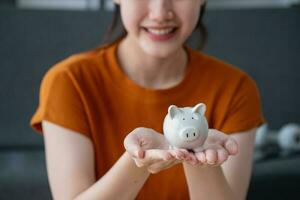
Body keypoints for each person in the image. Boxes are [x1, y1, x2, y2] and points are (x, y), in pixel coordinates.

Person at [30, 0, 265, 199]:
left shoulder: (236, 89)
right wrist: (138, 161)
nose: (160, 13)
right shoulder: (68, 82)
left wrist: (199, 158)